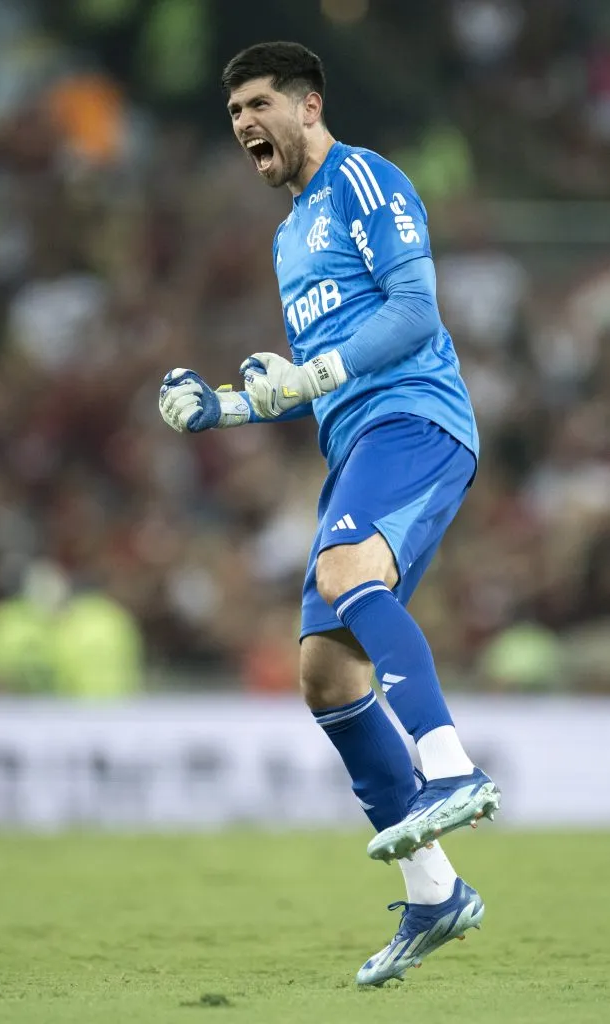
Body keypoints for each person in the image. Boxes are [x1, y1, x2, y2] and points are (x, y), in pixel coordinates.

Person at [158, 41, 501, 986]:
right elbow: (317, 374)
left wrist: (315, 372)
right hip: (356, 443)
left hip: (414, 422)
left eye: (259, 105)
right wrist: (231, 403)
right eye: (233, 115)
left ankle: (451, 767)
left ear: (309, 105)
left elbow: (413, 313)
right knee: (322, 673)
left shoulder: (364, 178)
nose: (243, 127)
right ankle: (434, 891)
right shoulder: (288, 233)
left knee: (352, 578)